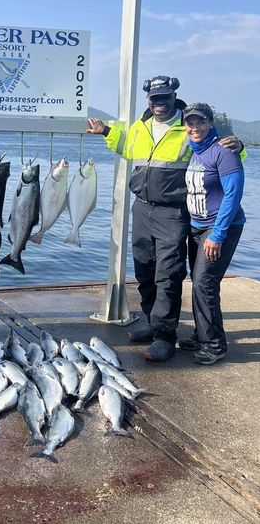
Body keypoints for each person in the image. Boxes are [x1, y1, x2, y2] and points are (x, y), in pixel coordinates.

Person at [87, 76, 243, 362]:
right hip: (142, 208)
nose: (160, 103)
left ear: (174, 97)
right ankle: (150, 319)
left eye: (165, 97)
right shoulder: (140, 126)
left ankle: (164, 335)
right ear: (149, 100)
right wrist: (106, 131)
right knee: (144, 268)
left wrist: (239, 144)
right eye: (155, 98)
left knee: (168, 273)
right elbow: (126, 147)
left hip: (173, 212)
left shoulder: (187, 125)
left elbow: (220, 149)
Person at [179, 103, 245, 365]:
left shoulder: (224, 152)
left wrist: (217, 235)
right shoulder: (196, 151)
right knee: (200, 282)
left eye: (200, 122)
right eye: (190, 123)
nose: (195, 127)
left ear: (210, 123)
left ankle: (214, 345)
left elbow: (233, 194)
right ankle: (201, 333)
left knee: (204, 283)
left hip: (219, 228)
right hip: (197, 227)